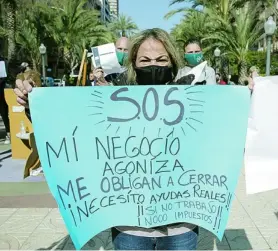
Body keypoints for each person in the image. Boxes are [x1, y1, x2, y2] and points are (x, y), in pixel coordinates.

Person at [14, 28, 199, 250]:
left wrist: (251, 97)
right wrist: (34, 105)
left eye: (161, 59)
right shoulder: (112, 100)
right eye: (145, 60)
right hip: (130, 227)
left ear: (172, 62)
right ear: (134, 64)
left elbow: (223, 127)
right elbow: (71, 124)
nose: (153, 65)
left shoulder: (194, 98)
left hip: (180, 225)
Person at [0, 57, 10, 144]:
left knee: (4, 113)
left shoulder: (2, 61)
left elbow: (4, 77)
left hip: (1, 92)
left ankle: (8, 134)